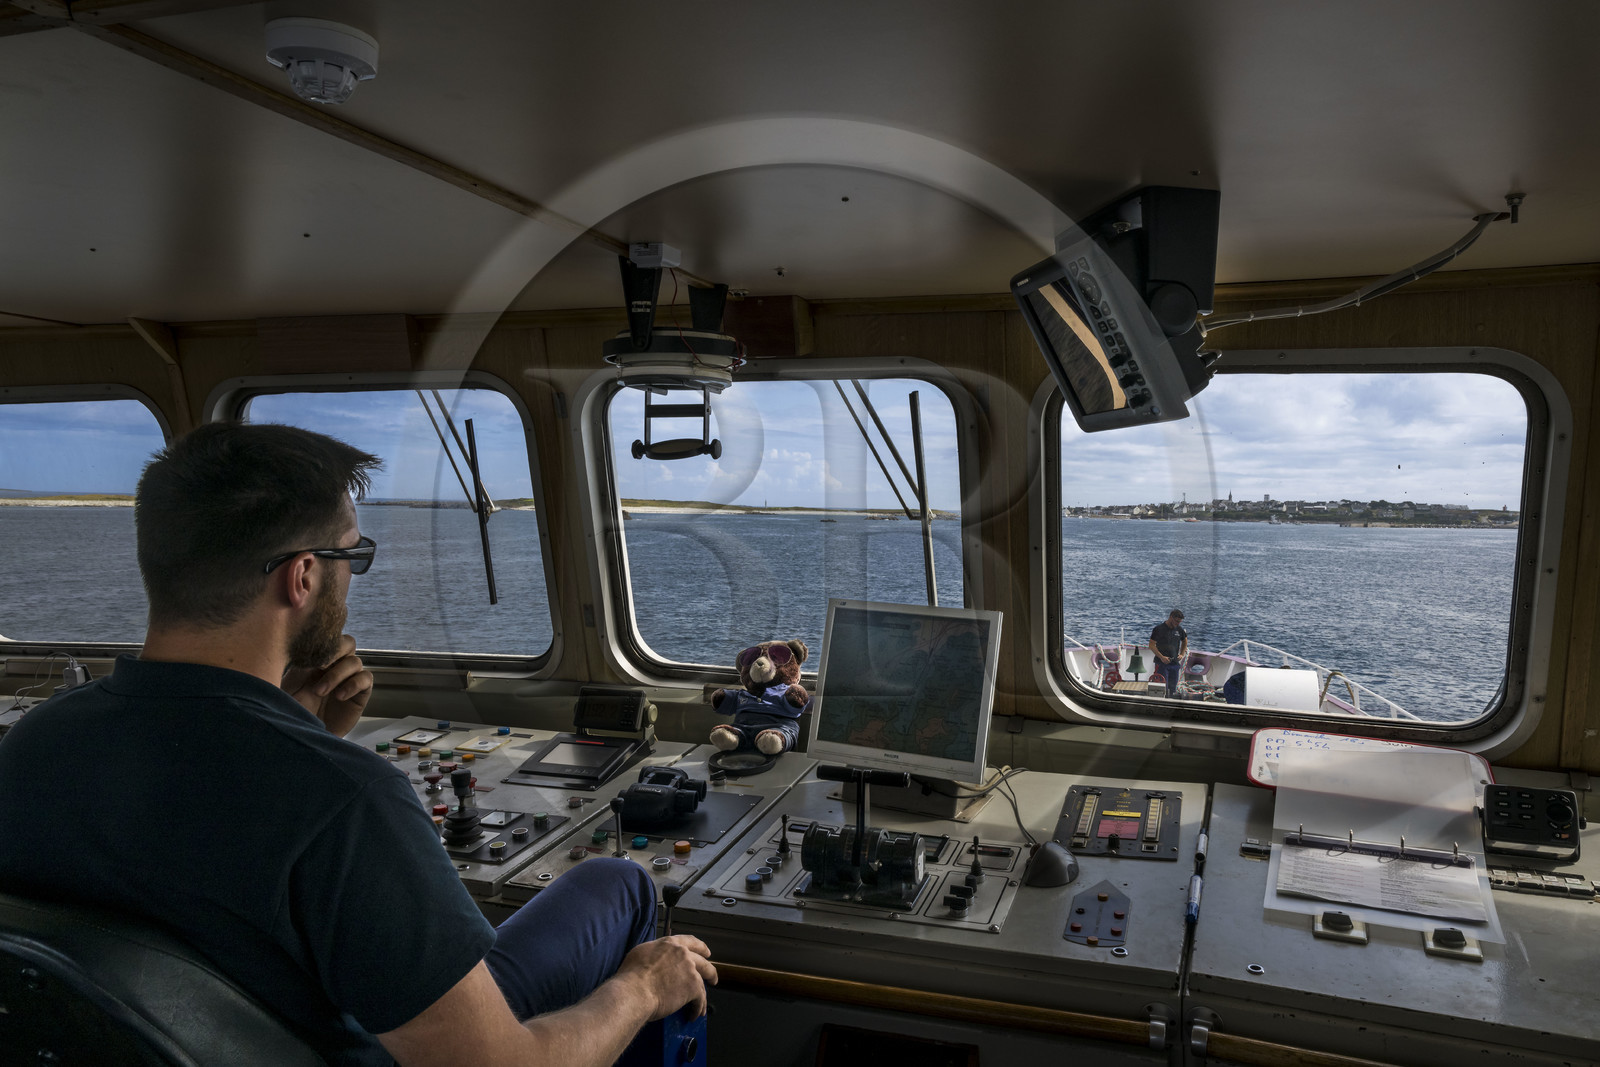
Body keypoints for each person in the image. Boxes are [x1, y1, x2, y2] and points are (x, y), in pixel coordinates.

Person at [0, 423, 714, 1067]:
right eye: (353, 554)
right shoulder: (340, 798)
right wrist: (641, 987)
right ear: (302, 575)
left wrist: (295, 723)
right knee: (617, 884)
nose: (352, 575)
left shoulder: (33, 746)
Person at [1149, 609, 1188, 698]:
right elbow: (1151, 645)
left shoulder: (1179, 629)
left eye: (1180, 622)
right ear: (1171, 617)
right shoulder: (1158, 629)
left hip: (1174, 664)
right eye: (1177, 621)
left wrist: (1181, 654)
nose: (1178, 623)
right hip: (1161, 664)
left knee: (1173, 689)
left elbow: (1185, 641)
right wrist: (1161, 657)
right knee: (1162, 688)